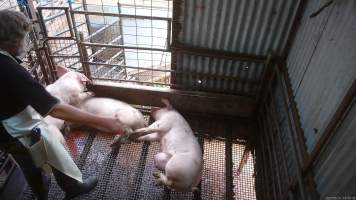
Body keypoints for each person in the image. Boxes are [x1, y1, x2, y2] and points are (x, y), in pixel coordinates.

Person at [0, 10, 125, 199]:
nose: (26, 43)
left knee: (42, 147)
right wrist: (104, 121)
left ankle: (63, 186)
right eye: (24, 38)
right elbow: (54, 108)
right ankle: (50, 192)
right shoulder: (10, 69)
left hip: (9, 122)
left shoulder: (7, 63)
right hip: (12, 130)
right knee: (36, 152)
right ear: (12, 40)